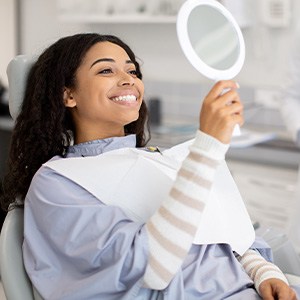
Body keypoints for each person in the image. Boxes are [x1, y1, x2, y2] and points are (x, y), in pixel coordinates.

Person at [0, 33, 298, 300]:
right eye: (106, 70)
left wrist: (263, 273)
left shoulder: (156, 159)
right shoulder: (57, 183)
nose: (128, 78)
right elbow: (151, 267)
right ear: (69, 95)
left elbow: (228, 234)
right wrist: (207, 148)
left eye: (132, 70)